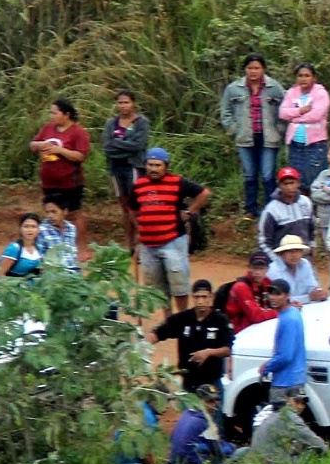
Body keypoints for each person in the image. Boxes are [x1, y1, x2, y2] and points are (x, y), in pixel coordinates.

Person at [132, 148, 211, 312]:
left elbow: (204, 193)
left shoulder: (177, 182)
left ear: (165, 166)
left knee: (179, 283)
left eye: (157, 165)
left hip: (173, 241)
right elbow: (133, 210)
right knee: (157, 287)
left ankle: (181, 317)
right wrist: (140, 229)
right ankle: (168, 319)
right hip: (148, 244)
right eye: (150, 165)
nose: (153, 169)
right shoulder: (138, 186)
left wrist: (190, 211)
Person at [220, 53, 284, 217]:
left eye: (257, 68)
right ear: (245, 69)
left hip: (269, 137)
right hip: (245, 137)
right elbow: (225, 112)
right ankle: (251, 209)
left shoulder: (274, 87)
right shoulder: (234, 88)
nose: (253, 71)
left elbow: (286, 110)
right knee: (249, 174)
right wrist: (234, 129)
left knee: (268, 174)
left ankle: (272, 209)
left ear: (263, 69)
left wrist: (279, 129)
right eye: (250, 68)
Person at [146, 279, 234, 391]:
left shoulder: (220, 320)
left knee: (213, 408)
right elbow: (157, 334)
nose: (200, 301)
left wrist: (208, 352)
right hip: (189, 383)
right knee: (188, 408)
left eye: (204, 297)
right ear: (192, 297)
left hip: (212, 383)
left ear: (211, 297)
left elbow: (228, 349)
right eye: (197, 297)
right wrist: (142, 346)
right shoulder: (183, 319)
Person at [102, 90, 152, 248]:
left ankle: (143, 240)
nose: (123, 106)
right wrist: (124, 145)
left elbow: (138, 145)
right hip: (116, 168)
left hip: (134, 166)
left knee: (136, 205)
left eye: (126, 102)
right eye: (120, 102)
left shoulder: (141, 122)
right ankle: (129, 243)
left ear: (133, 103)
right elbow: (107, 147)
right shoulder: (111, 123)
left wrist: (117, 143)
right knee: (124, 207)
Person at [30, 98, 90, 222]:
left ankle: (78, 242)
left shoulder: (78, 132)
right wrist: (39, 145)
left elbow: (80, 156)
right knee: (52, 213)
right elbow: (33, 144)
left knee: (73, 214)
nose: (51, 116)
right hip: (49, 181)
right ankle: (56, 241)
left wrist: (59, 150)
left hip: (70, 182)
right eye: (50, 113)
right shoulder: (48, 128)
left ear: (66, 115)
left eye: (55, 113)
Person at [249, 385, 327, 464]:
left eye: (303, 403)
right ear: (287, 399)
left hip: (257, 461)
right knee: (312, 452)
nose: (300, 406)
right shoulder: (290, 417)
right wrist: (329, 452)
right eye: (297, 401)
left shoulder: (276, 414)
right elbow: (315, 442)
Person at [279, 62, 330, 184]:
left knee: (315, 179)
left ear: (314, 78)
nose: (303, 78)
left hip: (315, 144)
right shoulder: (291, 92)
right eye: (300, 75)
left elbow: (316, 115)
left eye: (307, 75)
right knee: (297, 179)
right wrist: (301, 110)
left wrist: (294, 118)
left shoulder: (321, 94)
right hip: (295, 144)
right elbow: (282, 113)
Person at [167, 383, 236, 464]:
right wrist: (231, 447)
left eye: (216, 400)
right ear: (199, 401)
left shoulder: (186, 414)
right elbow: (220, 452)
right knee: (242, 451)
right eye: (209, 401)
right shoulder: (204, 422)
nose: (214, 405)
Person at [258, 280, 306, 400]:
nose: (273, 297)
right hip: (295, 379)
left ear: (287, 295)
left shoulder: (288, 319)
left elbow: (286, 356)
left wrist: (267, 367)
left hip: (285, 384)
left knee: (280, 418)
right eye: (271, 293)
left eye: (278, 294)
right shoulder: (293, 313)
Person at [256, 166, 316, 258]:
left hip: (304, 258)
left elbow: (312, 228)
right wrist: (276, 261)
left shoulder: (306, 202)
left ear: (298, 183)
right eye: (285, 184)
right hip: (281, 260)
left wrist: (312, 245)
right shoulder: (271, 210)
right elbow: (263, 242)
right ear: (279, 185)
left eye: (292, 183)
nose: (289, 187)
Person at [223, 253, 278, 333]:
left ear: (267, 269)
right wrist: (280, 311)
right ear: (249, 268)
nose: (257, 272)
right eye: (255, 268)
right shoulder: (241, 287)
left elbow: (280, 299)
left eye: (261, 268)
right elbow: (256, 316)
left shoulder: (267, 282)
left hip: (258, 325)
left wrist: (289, 305)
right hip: (239, 330)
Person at [269, 234, 326, 304]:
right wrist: (308, 297)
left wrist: (319, 293)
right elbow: (280, 300)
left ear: (302, 253)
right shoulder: (273, 270)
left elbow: (312, 286)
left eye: (297, 251)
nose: (294, 255)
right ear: (282, 254)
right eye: (290, 251)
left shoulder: (305, 264)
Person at [35, 198, 79, 272]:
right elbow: (39, 258)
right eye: (47, 212)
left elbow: (73, 254)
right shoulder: (41, 230)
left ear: (65, 211)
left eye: (53, 212)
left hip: (74, 274)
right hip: (54, 275)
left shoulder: (71, 228)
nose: (50, 216)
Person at [0, 214, 44, 278]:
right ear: (20, 229)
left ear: (38, 230)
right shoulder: (14, 248)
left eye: (33, 227)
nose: (29, 230)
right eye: (26, 226)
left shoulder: (39, 249)